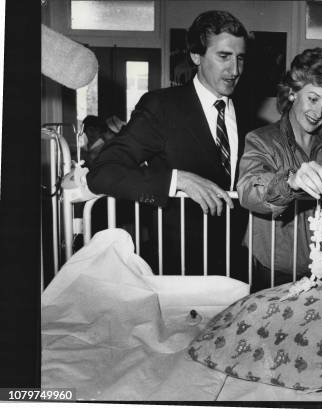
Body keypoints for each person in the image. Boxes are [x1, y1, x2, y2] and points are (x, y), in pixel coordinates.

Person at [87, 11, 250, 276]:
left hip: (234, 266)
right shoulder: (161, 107)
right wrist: (176, 180)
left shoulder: (247, 110)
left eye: (240, 58)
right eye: (224, 56)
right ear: (196, 56)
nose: (235, 70)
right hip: (178, 268)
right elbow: (103, 172)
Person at [237, 47, 322, 291]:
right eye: (313, 99)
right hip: (274, 273)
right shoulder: (262, 139)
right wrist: (290, 181)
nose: (319, 113)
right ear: (293, 92)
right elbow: (248, 189)